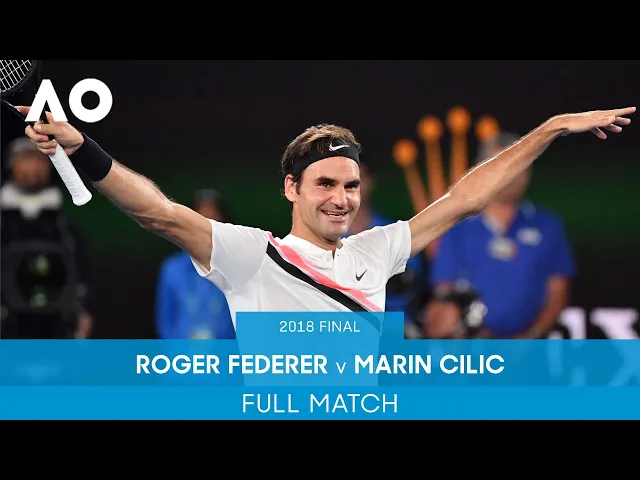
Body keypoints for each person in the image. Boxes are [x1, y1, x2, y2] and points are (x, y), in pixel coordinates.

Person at [17, 105, 635, 330]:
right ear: (291, 188)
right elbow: (157, 213)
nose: (341, 198)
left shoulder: (376, 251)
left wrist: (550, 129)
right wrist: (82, 147)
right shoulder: (251, 255)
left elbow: (466, 198)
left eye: (351, 185)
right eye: (325, 185)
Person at [426, 132, 576, 339]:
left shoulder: (548, 226)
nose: (510, 175)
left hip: (530, 347)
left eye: (518, 164)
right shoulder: (457, 226)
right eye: (500, 166)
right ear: (480, 170)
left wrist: (530, 337)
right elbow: (443, 295)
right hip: (470, 346)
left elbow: (558, 293)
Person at [1, 137, 93, 339]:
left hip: (56, 323)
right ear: (11, 164)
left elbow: (81, 272)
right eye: (25, 159)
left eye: (38, 160)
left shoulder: (65, 228)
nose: (32, 167)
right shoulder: (4, 226)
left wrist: (83, 311)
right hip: (9, 324)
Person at [345, 161, 428, 326]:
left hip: (392, 327)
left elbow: (409, 285)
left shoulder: (396, 234)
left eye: (360, 178)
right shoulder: (319, 240)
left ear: (371, 182)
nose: (353, 187)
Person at [155, 188, 235, 339]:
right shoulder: (172, 268)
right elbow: (165, 323)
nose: (205, 231)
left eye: (212, 222)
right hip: (182, 351)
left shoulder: (237, 268)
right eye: (200, 221)